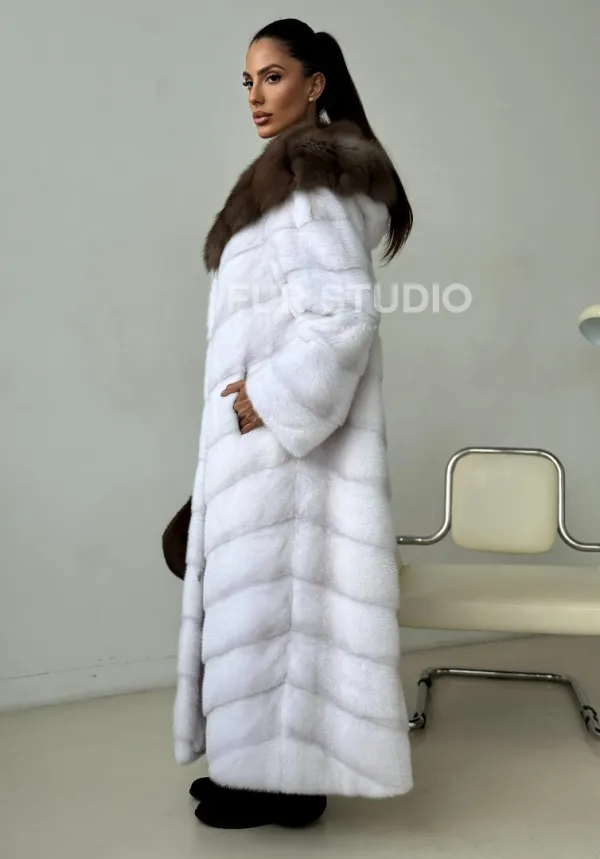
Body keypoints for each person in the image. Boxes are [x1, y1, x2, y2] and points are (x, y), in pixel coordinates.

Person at [173, 17, 414, 830]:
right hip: (270, 446)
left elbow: (343, 319)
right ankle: (262, 770)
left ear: (315, 85)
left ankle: (280, 783)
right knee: (272, 612)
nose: (255, 96)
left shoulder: (309, 186)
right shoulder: (296, 181)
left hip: (283, 445)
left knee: (273, 612)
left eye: (272, 77)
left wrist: (268, 397)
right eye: (247, 81)